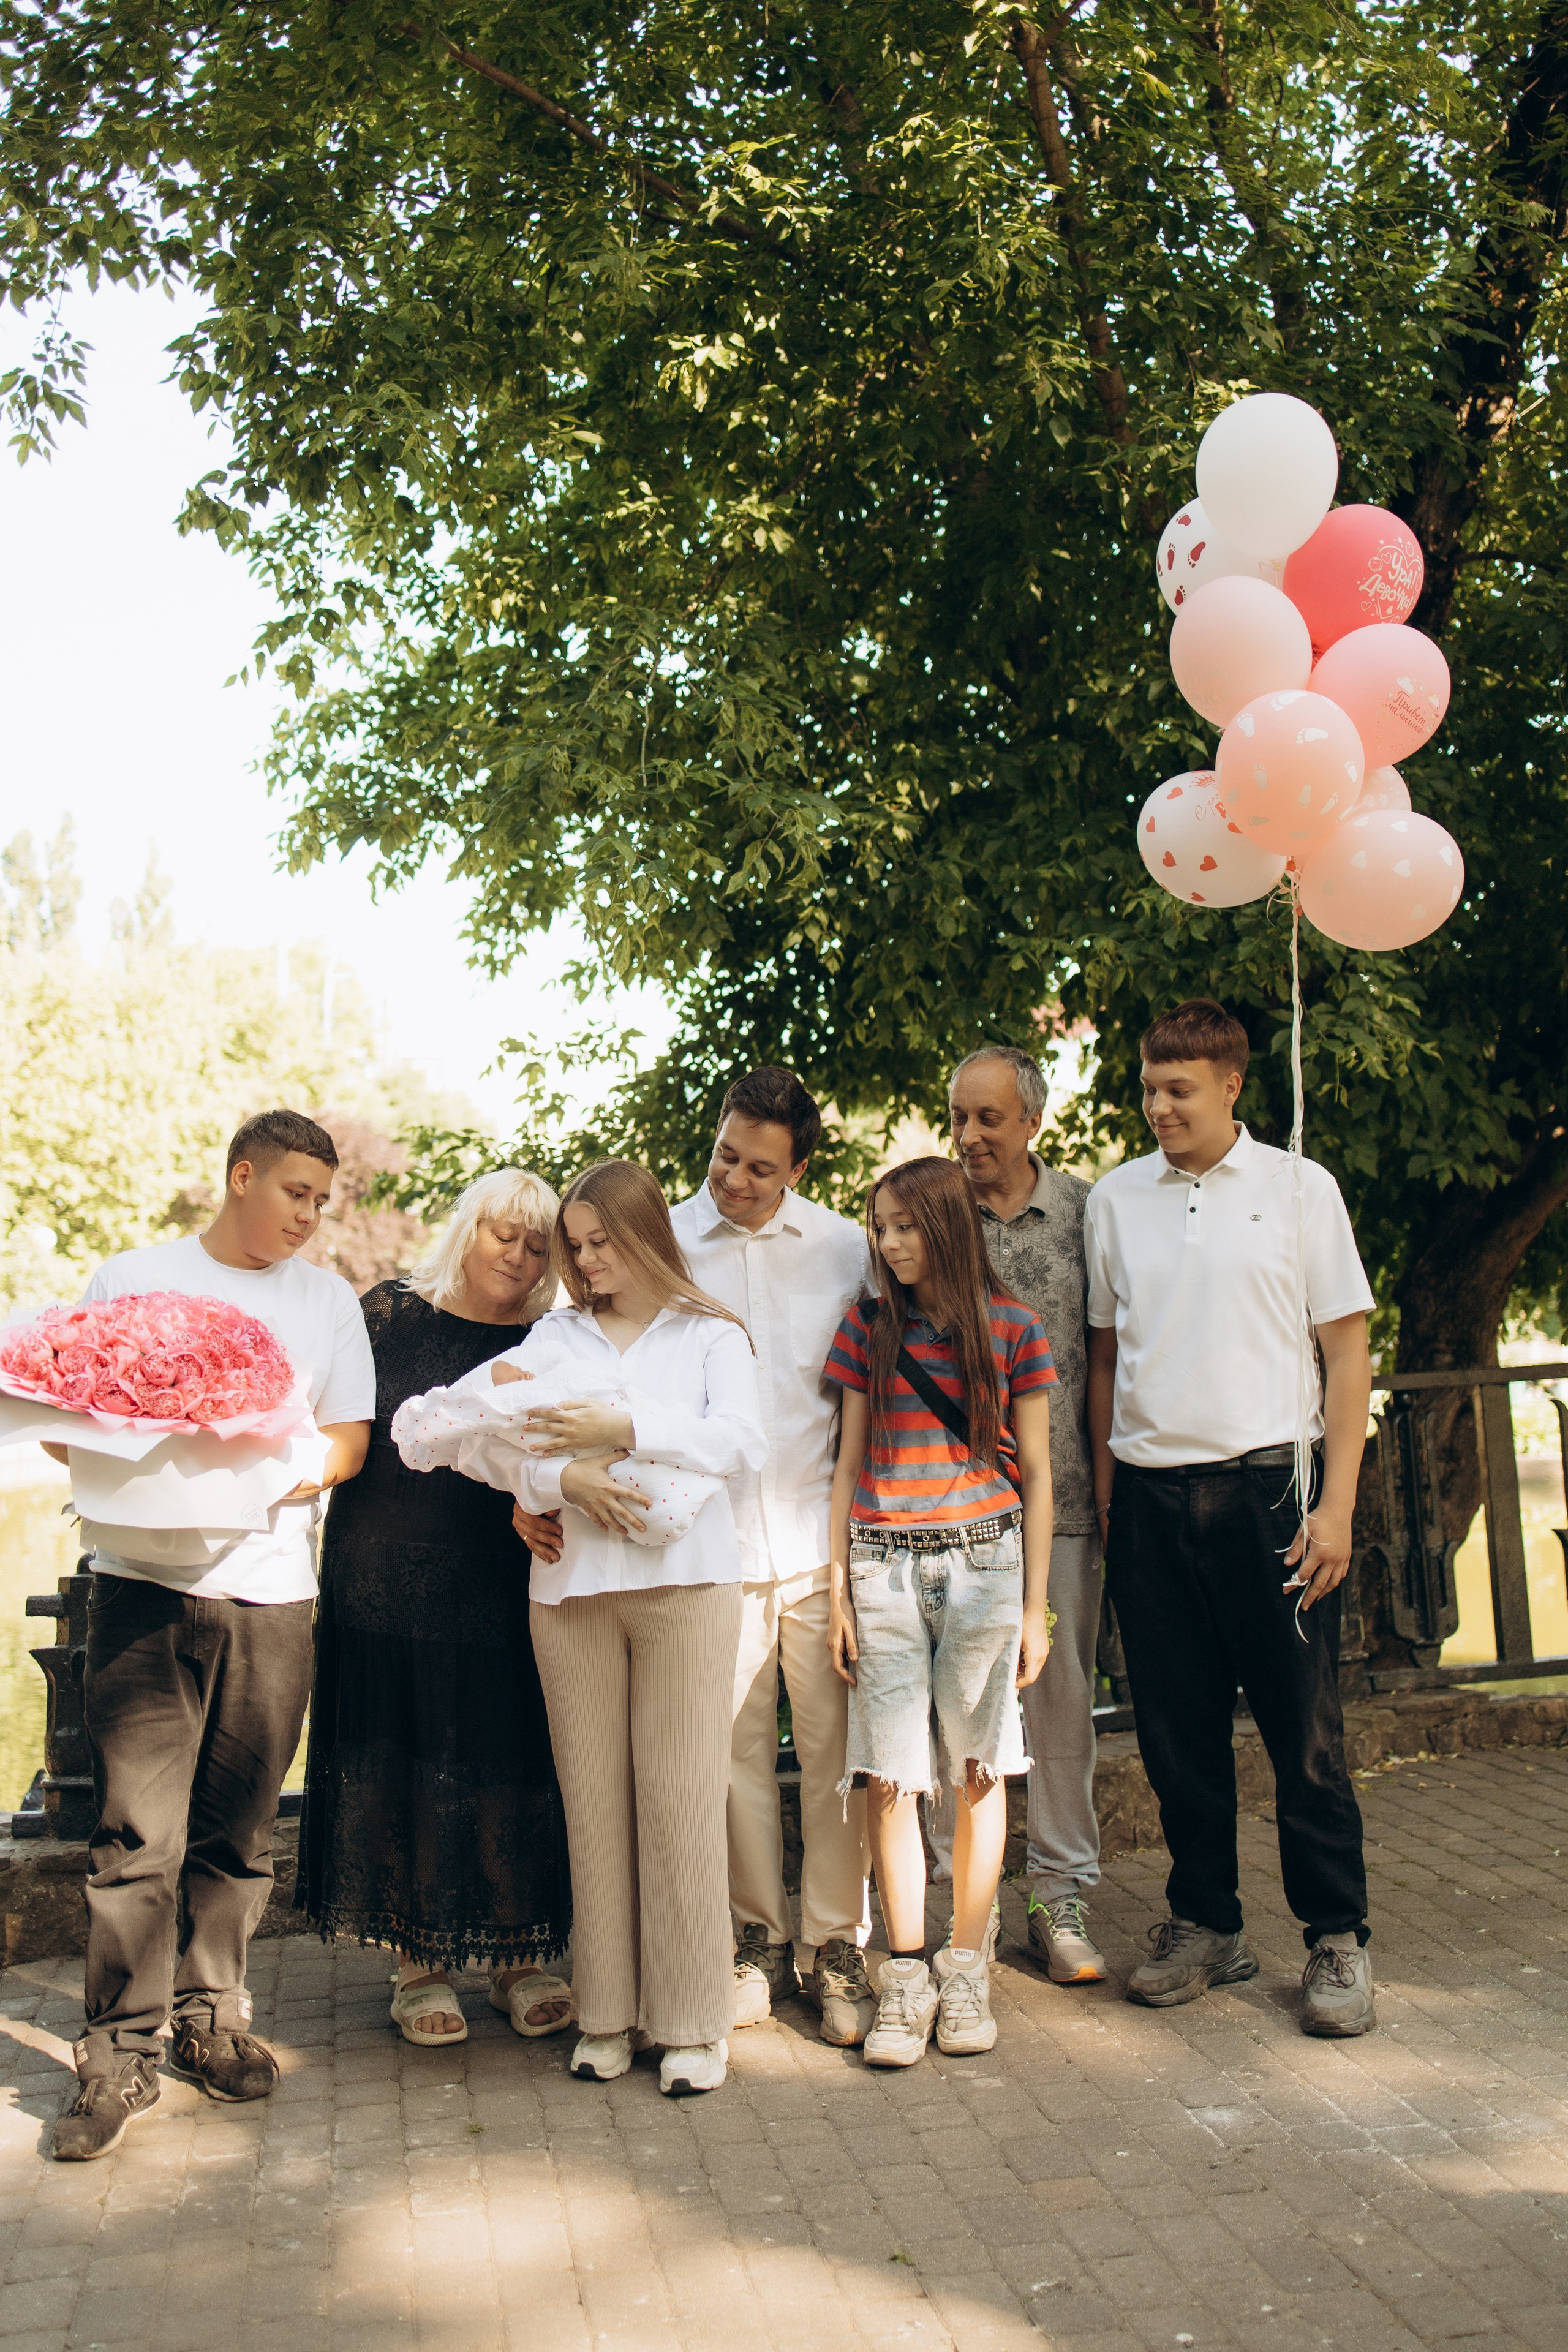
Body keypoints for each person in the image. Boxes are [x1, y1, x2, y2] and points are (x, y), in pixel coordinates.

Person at [51, 1110, 375, 2162]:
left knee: (238, 1836)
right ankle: (115, 2053)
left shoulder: (327, 1303)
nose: (310, 1216)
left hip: (271, 1595)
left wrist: (253, 1474)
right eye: (295, 1193)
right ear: (241, 1176)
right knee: (135, 1833)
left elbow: (347, 1441)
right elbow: (74, 1422)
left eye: (322, 1202)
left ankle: (210, 2021)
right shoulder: (130, 1278)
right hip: (140, 1588)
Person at [1085, 999, 1377, 2036]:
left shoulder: (1302, 1191)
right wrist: (1113, 1497)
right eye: (1149, 1087)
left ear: (1232, 1086)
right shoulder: (1116, 1200)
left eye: (1179, 1089)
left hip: (1274, 1495)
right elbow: (1109, 1356)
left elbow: (1347, 1352)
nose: (1158, 1106)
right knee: (1176, 1734)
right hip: (1154, 1500)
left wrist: (1336, 1505)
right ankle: (1207, 1923)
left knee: (1304, 1733)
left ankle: (1336, 1938)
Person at [295, 1168, 575, 2047]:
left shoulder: (554, 1338)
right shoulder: (388, 1315)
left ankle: (518, 1959)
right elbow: (334, 1424)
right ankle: (418, 1966)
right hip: (383, 1580)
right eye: (506, 1235)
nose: (520, 1257)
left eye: (538, 1245)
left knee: (509, 1753)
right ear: (469, 1228)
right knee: (406, 1753)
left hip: (502, 1575)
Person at [514, 1160, 767, 2098]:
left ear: (647, 1233)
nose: (585, 1263)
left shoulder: (710, 1336)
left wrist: (623, 1424)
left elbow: (742, 1442)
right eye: (574, 1248)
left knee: (679, 1796)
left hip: (686, 1587)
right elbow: (505, 1447)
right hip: (570, 1592)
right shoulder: (553, 1336)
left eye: (600, 1242)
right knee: (593, 1800)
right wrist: (556, 1483)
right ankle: (608, 2014)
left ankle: (695, 2022)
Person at [825, 1156, 1055, 2068]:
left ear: (951, 1227)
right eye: (881, 1226)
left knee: (977, 1770)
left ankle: (967, 1964)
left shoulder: (1014, 1329)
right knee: (890, 1775)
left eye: (908, 1225)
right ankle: (906, 1970)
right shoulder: (866, 1328)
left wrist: (1036, 1605)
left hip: (988, 1561)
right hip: (881, 1566)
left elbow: (1036, 1474)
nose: (891, 1243)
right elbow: (845, 1467)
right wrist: (840, 1585)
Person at [948, 1043, 1107, 1986]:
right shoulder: (929, 1216)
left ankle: (1061, 1892)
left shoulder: (1089, 1213)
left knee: (1060, 1706)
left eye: (990, 1119)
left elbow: (1116, 1348)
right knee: (956, 1710)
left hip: (1071, 1505)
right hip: (950, 1516)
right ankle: (954, 1903)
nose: (970, 1136)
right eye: (960, 1117)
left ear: (1032, 1123)